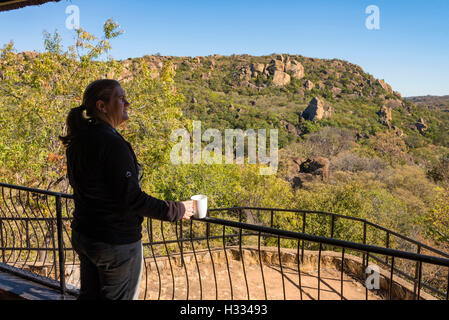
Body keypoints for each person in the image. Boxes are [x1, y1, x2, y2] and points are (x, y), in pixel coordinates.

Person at [59, 79, 194, 300]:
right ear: (102, 106)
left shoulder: (80, 139)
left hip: (86, 234)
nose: (127, 103)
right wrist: (177, 210)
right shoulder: (111, 143)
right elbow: (131, 198)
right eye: (121, 98)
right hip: (115, 242)